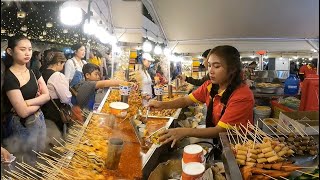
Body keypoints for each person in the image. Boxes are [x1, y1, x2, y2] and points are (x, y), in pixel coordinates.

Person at [148, 45, 254, 149]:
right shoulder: (209, 85)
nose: (211, 71)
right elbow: (186, 100)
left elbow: (220, 130)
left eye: (216, 66)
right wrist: (162, 105)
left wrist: (185, 131)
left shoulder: (242, 95)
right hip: (219, 141)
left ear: (232, 69)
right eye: (209, 65)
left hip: (238, 148)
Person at [3, 34, 50, 164]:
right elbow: (22, 112)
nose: (27, 53)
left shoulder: (34, 70)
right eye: (22, 49)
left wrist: (27, 103)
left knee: (39, 157)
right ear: (10, 51)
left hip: (39, 119)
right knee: (25, 164)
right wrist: (39, 100)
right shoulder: (9, 77)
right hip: (21, 126)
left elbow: (47, 95)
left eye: (29, 49)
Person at [41, 52, 72, 132]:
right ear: (58, 63)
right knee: (56, 138)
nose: (63, 66)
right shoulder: (57, 76)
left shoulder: (41, 73)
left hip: (43, 110)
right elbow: (66, 98)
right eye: (63, 64)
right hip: (54, 112)